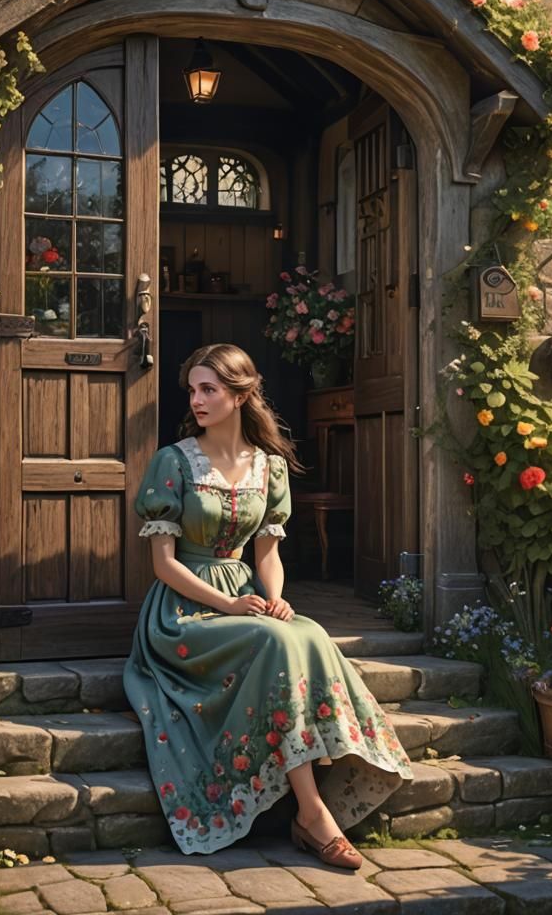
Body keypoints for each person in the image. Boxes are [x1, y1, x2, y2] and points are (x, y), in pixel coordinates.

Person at [123, 344, 413, 867]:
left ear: (241, 395)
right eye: (193, 389)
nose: (197, 400)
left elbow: (269, 554)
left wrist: (274, 600)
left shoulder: (269, 468)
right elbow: (164, 565)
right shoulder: (174, 460)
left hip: (247, 598)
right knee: (278, 641)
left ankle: (320, 793)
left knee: (306, 632)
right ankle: (311, 812)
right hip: (184, 612)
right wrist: (229, 606)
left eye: (209, 389)